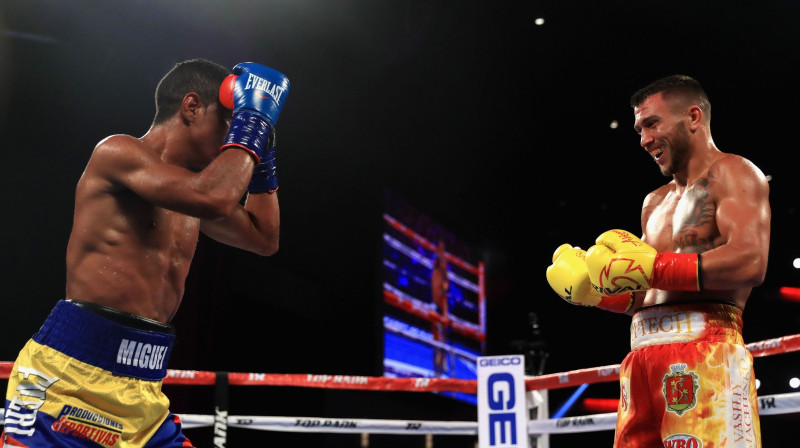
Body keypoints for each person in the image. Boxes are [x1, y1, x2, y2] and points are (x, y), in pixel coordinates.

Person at [2, 58, 289, 447]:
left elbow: (264, 238)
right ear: (191, 107)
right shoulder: (118, 153)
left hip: (143, 393)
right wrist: (253, 124)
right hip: (67, 383)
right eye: (228, 122)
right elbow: (215, 197)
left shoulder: (192, 195)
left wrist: (264, 158)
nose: (231, 138)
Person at [546, 74, 770, 447]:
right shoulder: (653, 202)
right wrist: (594, 293)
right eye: (638, 129)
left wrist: (653, 267)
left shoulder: (734, 173)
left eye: (652, 123)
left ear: (694, 117)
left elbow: (750, 262)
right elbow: (646, 292)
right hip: (641, 357)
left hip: (705, 349)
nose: (644, 139)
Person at [430, 239, 451, 377]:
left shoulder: (444, 275)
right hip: (435, 304)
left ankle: (442, 362)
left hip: (443, 306)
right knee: (436, 339)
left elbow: (446, 288)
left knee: (443, 338)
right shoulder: (436, 270)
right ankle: (437, 370)